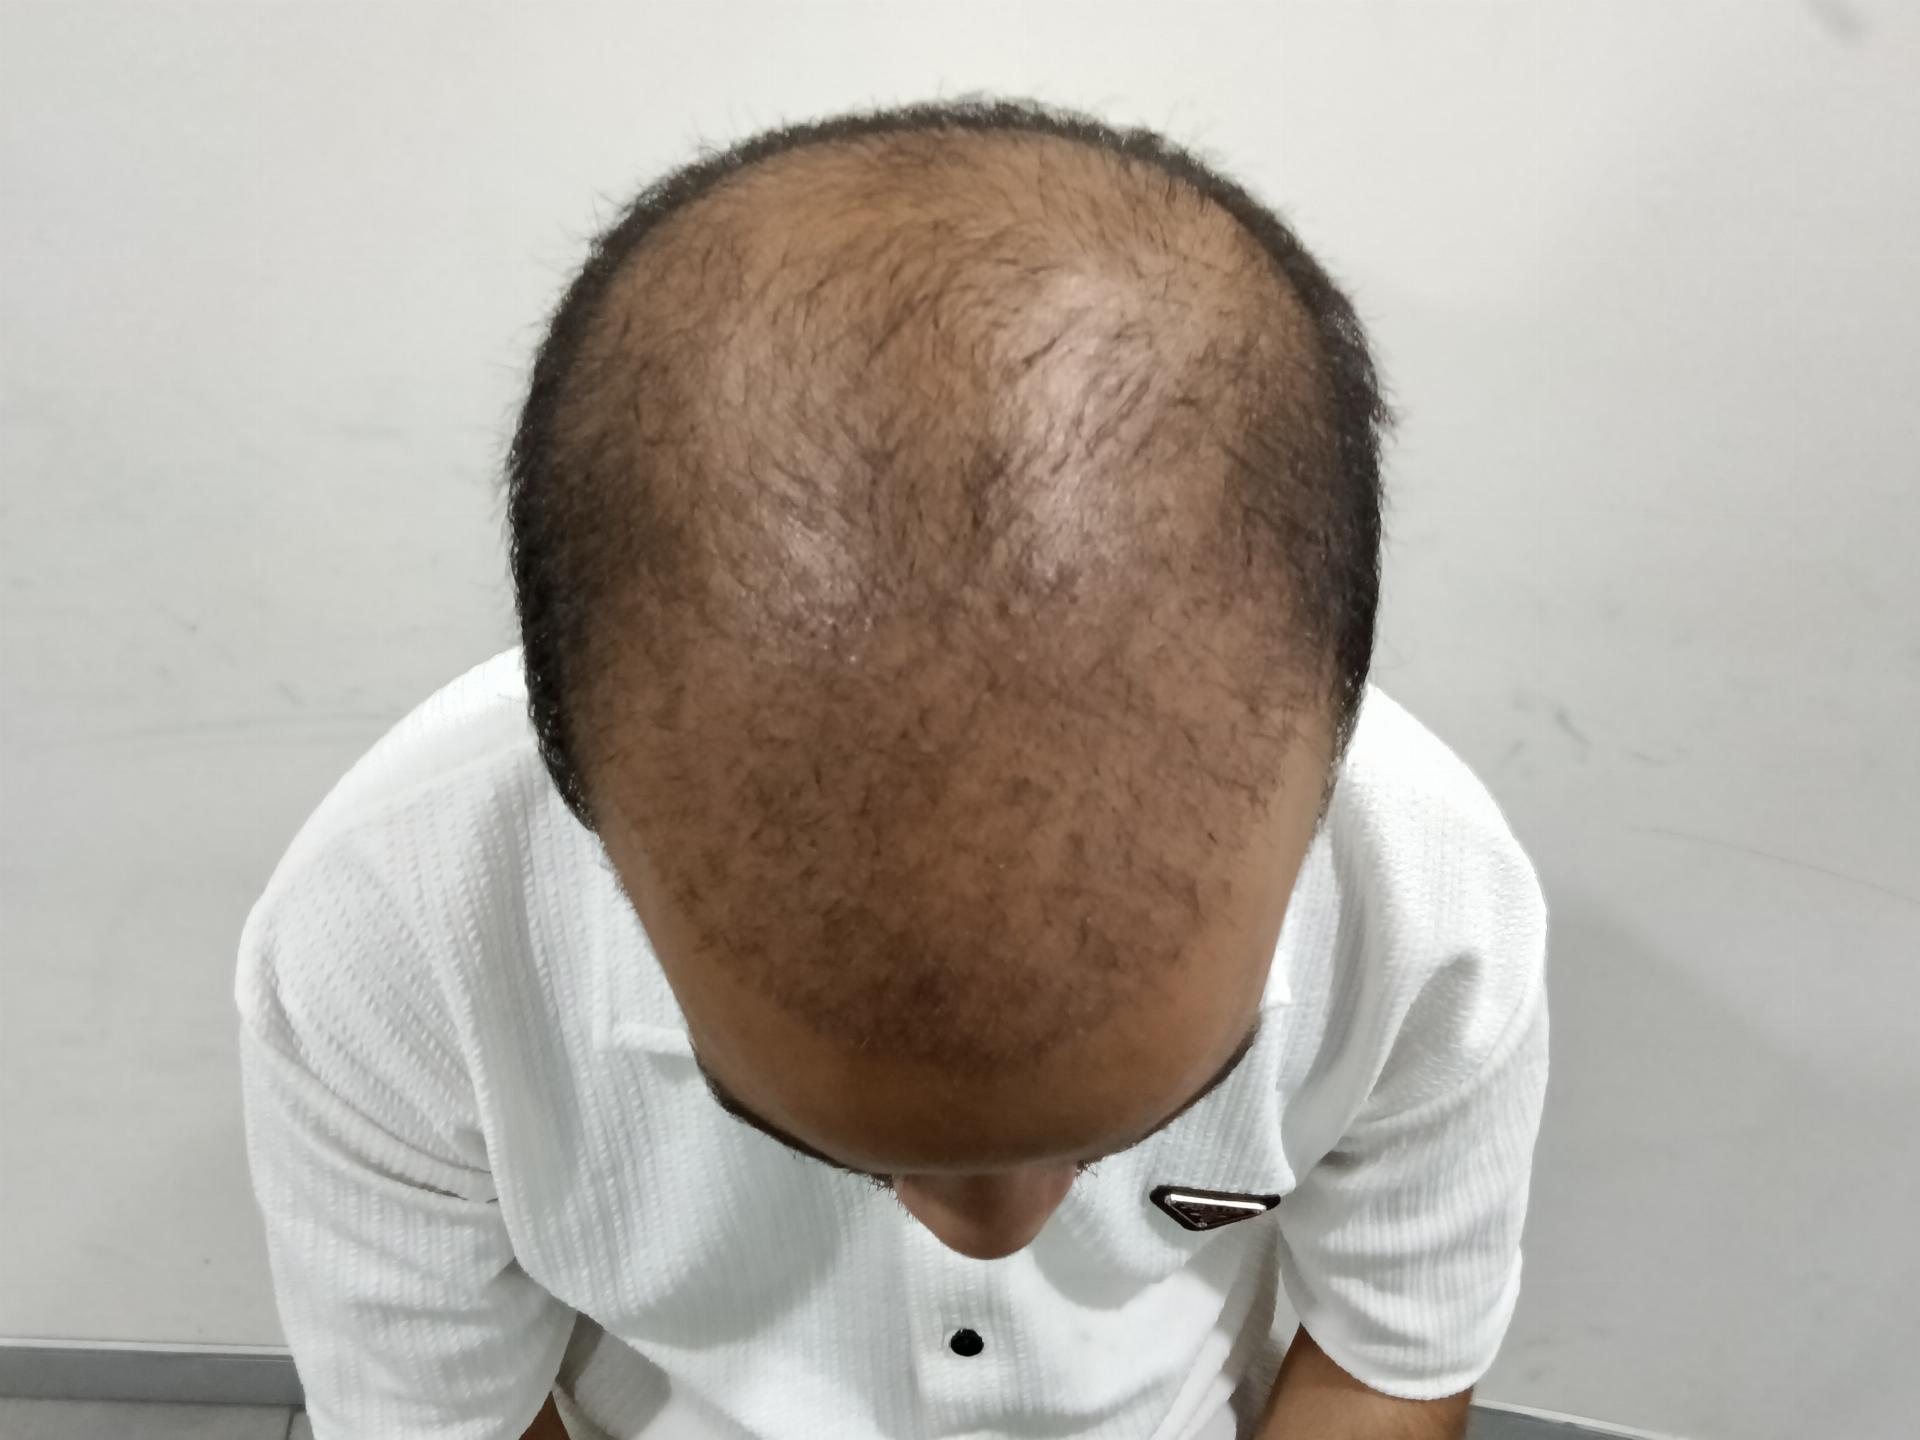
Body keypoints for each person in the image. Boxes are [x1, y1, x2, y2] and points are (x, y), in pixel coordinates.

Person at [236, 95, 1549, 1440]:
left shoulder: (1432, 904)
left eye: (1131, 1132)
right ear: (580, 803)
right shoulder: (389, 944)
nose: (993, 1235)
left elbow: (1391, 1351)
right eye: (818, 1144)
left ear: (1334, 753)